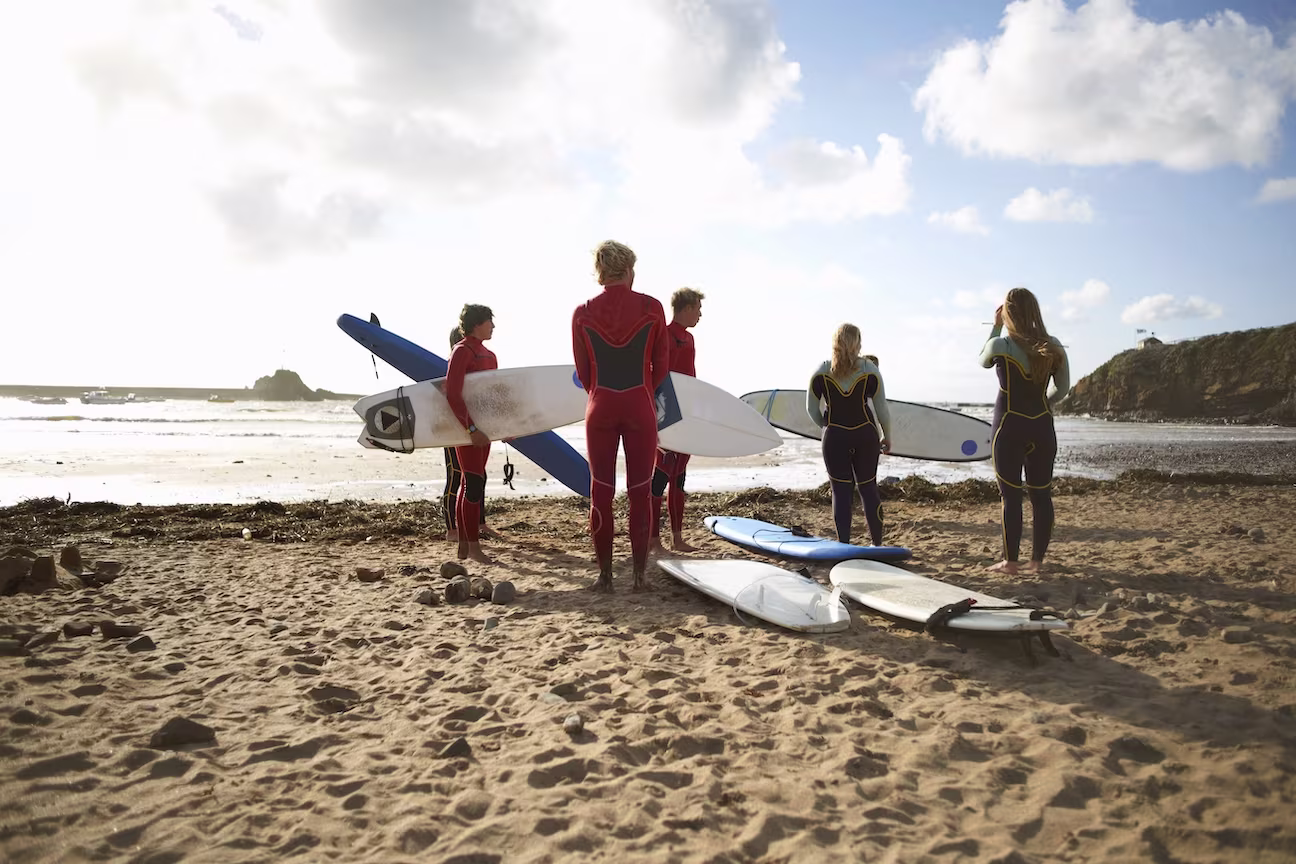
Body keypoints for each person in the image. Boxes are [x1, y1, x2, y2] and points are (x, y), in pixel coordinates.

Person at [572, 240, 669, 592]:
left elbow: (583, 373)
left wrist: (602, 394)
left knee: (601, 491)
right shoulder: (652, 307)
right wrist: (640, 390)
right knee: (640, 491)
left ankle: (605, 577)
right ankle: (640, 578)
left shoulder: (582, 312)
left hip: (599, 406)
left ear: (600, 273)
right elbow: (662, 367)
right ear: (629, 270)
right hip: (639, 404)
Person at [979, 287, 1070, 575]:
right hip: (1042, 426)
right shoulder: (1053, 346)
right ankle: (1037, 562)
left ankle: (1010, 562)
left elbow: (983, 359)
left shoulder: (1001, 346)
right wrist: (1042, 403)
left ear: (1007, 313)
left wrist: (995, 327)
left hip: (1009, 427)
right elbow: (1063, 389)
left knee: (1011, 497)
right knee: (1041, 496)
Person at [807, 324, 891, 546]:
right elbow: (882, 409)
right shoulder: (870, 370)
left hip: (835, 438)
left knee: (841, 491)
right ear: (858, 343)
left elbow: (811, 409)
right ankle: (877, 544)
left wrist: (827, 427)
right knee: (868, 488)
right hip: (866, 435)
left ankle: (844, 544)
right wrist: (887, 435)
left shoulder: (822, 370)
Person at [650, 287, 704, 555]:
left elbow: (691, 378)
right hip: (666, 412)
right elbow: (656, 376)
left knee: (680, 476)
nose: (700, 314)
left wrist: (695, 409)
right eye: (697, 308)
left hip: (685, 412)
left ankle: (677, 538)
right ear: (685, 308)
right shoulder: (665, 335)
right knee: (661, 474)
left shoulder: (690, 339)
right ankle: (652, 539)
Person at [444, 304, 497, 565]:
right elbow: (453, 394)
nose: (493, 326)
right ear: (477, 323)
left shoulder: (489, 354)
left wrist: (505, 428)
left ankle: (465, 546)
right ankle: (473, 547)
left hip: (483, 431)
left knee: (470, 483)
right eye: (490, 321)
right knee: (473, 483)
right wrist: (471, 429)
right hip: (467, 430)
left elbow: (493, 397)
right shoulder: (462, 351)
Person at [441, 326, 490, 543]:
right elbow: (449, 398)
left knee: (479, 477)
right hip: (454, 429)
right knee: (456, 477)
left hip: (476, 428)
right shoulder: (451, 366)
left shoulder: (477, 365)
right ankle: (452, 529)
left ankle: (479, 523)